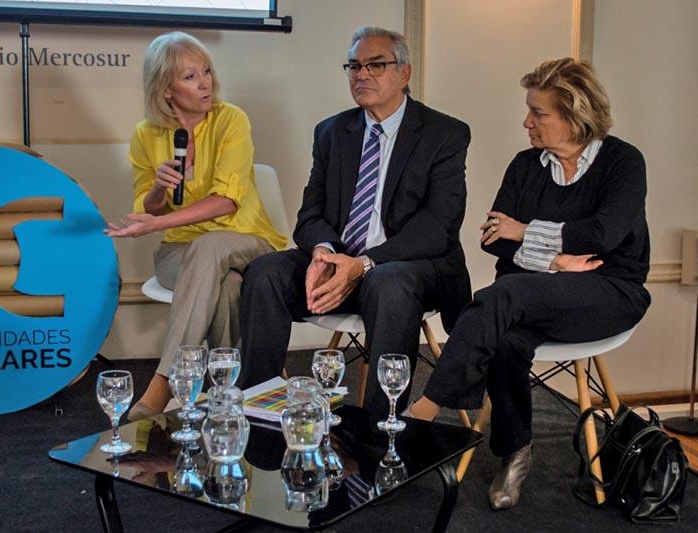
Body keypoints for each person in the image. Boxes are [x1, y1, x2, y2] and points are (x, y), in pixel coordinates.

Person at [408, 58, 651, 510]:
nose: (527, 122)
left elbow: (603, 235)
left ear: (576, 116)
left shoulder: (622, 162)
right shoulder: (526, 165)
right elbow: (491, 239)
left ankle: (425, 411)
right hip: (534, 293)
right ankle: (515, 452)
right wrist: (555, 258)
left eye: (538, 113)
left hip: (609, 290)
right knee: (505, 339)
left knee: (503, 296)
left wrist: (523, 232)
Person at [237, 26, 472, 420]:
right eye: (354, 66)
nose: (361, 75)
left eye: (375, 65)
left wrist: (363, 264)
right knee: (265, 273)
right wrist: (324, 252)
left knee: (388, 281)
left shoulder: (443, 133)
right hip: (339, 263)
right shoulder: (332, 132)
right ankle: (258, 409)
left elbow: (438, 227)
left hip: (410, 268)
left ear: (404, 73)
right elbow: (310, 214)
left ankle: (383, 428)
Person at [106, 32, 286, 421]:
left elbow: (226, 201)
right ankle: (227, 394)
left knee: (211, 248)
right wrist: (158, 188)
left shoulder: (231, 120)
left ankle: (166, 382)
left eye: (206, 71)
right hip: (179, 253)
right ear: (165, 89)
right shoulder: (146, 134)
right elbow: (145, 206)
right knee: (229, 286)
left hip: (248, 240)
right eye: (190, 77)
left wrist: (159, 220)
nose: (205, 82)